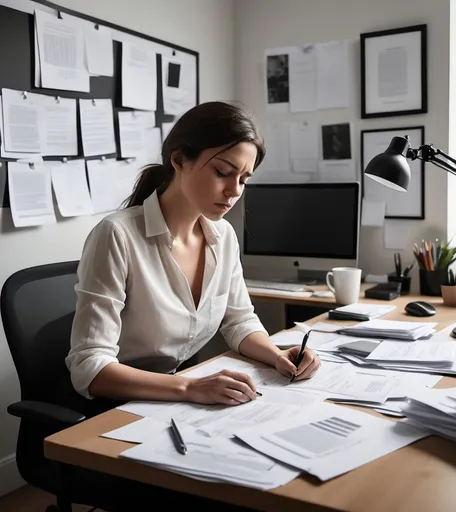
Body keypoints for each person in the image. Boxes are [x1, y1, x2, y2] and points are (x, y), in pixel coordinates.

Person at [65, 101, 320, 413]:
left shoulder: (222, 236)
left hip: (177, 399)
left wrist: (276, 355)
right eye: (223, 172)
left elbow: (238, 320)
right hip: (116, 406)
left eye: (243, 179)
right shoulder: (116, 235)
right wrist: (189, 387)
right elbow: (89, 366)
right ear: (179, 160)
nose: (234, 191)